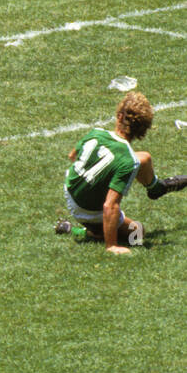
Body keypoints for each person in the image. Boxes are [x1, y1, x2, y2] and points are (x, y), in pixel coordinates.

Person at [55, 92, 187, 253]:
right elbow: (110, 205)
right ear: (143, 131)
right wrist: (112, 246)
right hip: (87, 211)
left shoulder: (96, 133)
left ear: (119, 116)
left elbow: (72, 156)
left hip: (70, 188)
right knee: (138, 232)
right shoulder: (127, 161)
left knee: (144, 158)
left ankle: (156, 188)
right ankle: (82, 231)